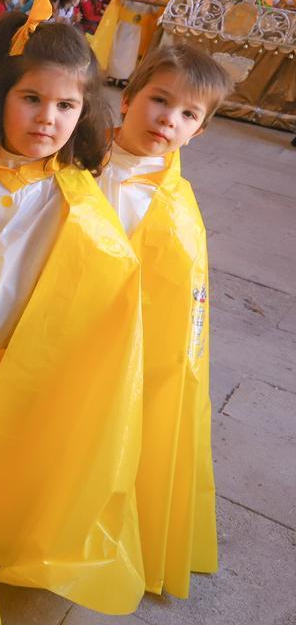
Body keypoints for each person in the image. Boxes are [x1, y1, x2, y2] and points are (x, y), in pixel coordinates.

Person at [0, 19, 146, 615]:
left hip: (14, 364)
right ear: (0, 96)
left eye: (65, 105)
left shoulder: (81, 202)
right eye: (31, 98)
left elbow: (100, 292)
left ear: (85, 113)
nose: (46, 118)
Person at [98, 44, 231, 600]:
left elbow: (180, 307)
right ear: (127, 97)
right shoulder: (81, 161)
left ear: (197, 133)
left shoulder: (176, 212)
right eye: (159, 100)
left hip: (124, 352)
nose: (168, 120)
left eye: (188, 114)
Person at [91, 0, 170, 86]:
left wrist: (155, 3)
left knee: (132, 53)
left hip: (140, 27)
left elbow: (158, 12)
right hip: (125, 24)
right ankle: (112, 74)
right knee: (118, 49)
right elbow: (119, 1)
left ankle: (126, 77)